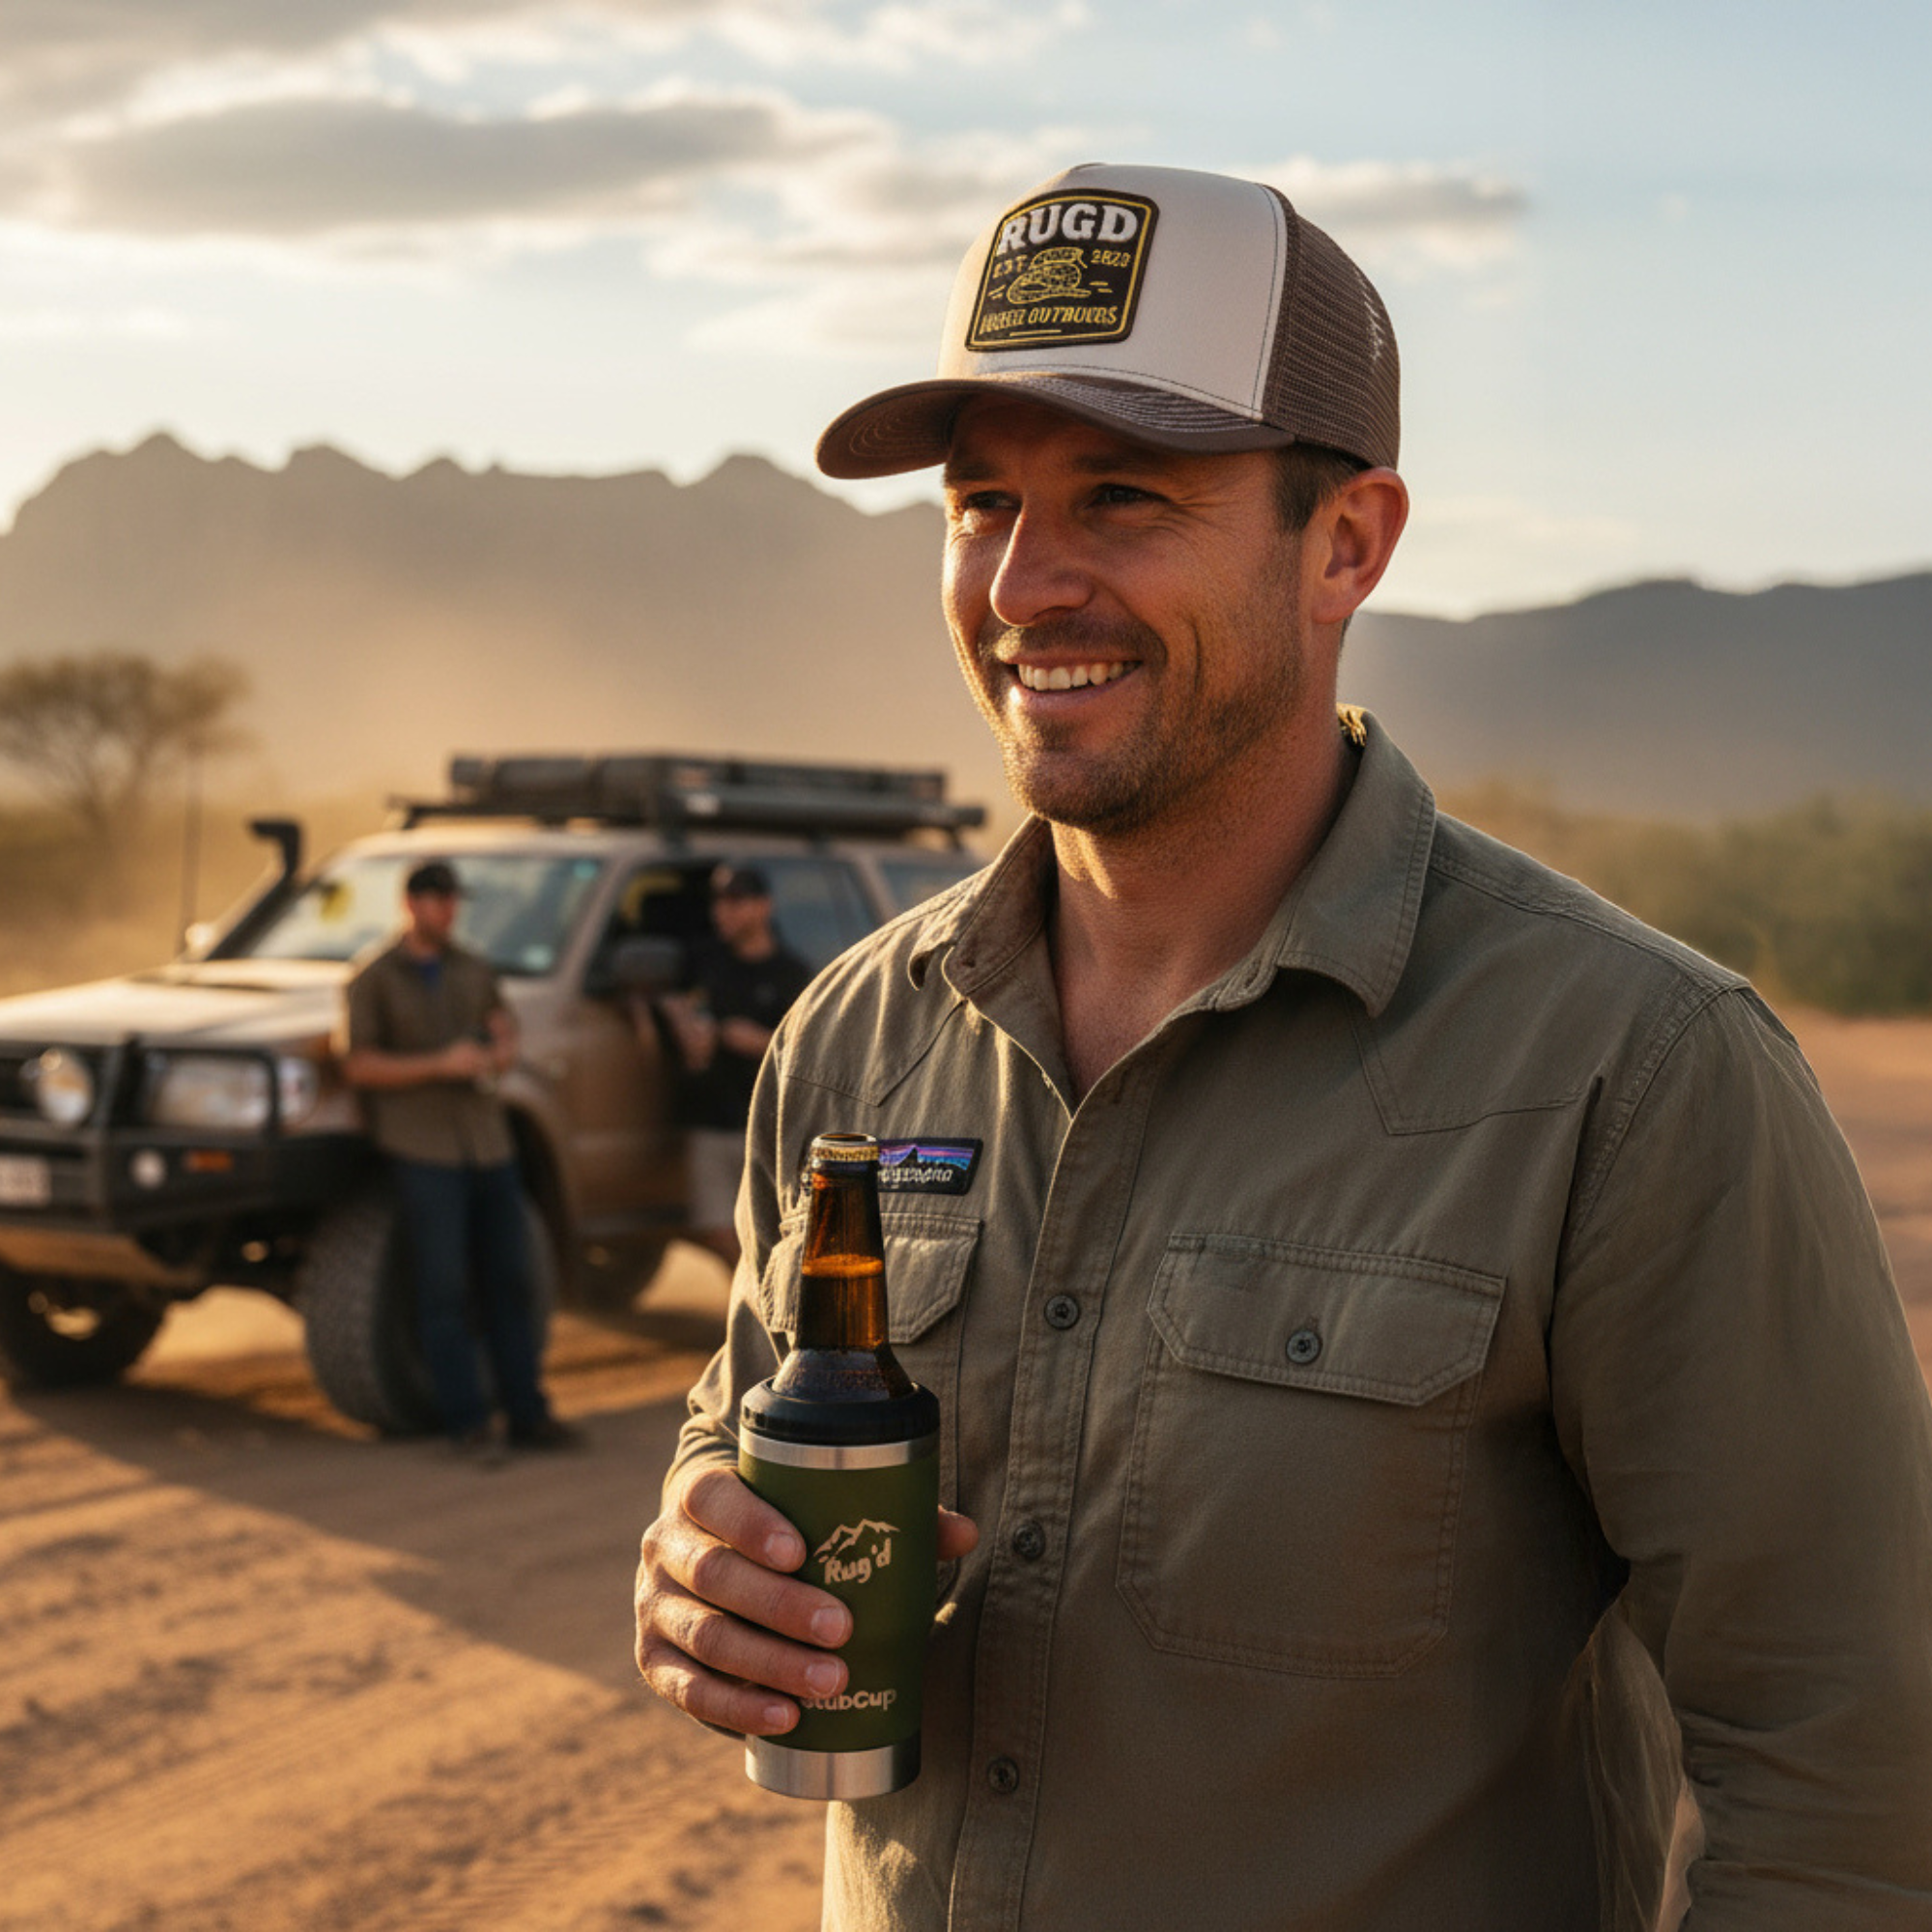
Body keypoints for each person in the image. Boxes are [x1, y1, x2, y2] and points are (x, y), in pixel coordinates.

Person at [633, 163, 1932, 1928]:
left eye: (1123, 498)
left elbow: (1848, 1770)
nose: (1025, 582)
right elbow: (740, 1425)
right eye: (981, 503)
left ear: (1348, 544)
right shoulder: (858, 1037)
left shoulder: (1636, 1069)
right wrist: (706, 1549)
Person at [342, 858, 576, 1462]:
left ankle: (527, 1413)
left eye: (452, 900)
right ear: (410, 903)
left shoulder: (473, 968)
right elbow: (359, 1065)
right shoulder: (372, 978)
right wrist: (438, 1065)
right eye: (436, 899)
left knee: (511, 1281)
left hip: (486, 1142)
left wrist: (495, 1054)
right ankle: (468, 1421)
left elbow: (504, 1035)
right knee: (442, 1289)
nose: (447, 910)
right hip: (423, 1149)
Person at [651, 865, 811, 1270]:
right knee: (718, 1229)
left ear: (764, 907)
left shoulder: (791, 973)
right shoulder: (704, 962)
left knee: (773, 1228)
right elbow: (680, 1007)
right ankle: (757, 1305)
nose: (723, 912)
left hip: (766, 1123)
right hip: (709, 1118)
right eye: (719, 901)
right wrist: (681, 1023)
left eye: (736, 901)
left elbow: (807, 1051)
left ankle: (765, 1310)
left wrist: (754, 1040)